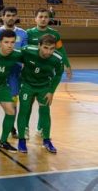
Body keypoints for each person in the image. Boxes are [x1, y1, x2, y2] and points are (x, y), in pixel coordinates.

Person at [26, 8, 72, 137]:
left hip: (46, 74)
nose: (43, 19)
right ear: (35, 18)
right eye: (40, 16)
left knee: (44, 102)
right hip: (30, 74)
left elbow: (61, 50)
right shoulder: (28, 33)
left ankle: (41, 128)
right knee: (28, 103)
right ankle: (25, 127)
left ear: (49, 19)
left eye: (46, 17)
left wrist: (67, 65)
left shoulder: (55, 34)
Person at [17, 34, 63, 154]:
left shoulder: (57, 58)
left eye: (52, 48)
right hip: (27, 85)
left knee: (45, 111)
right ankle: (21, 140)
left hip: (44, 87)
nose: (48, 52)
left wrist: (51, 91)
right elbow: (14, 56)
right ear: (39, 46)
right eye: (45, 48)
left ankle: (47, 140)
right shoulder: (27, 50)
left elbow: (58, 75)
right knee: (24, 110)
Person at [0, 6, 27, 139]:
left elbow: (24, 53)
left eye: (13, 15)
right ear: (2, 17)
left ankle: (11, 126)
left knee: (13, 101)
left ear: (16, 17)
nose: (11, 18)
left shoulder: (23, 33)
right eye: (8, 15)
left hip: (15, 74)